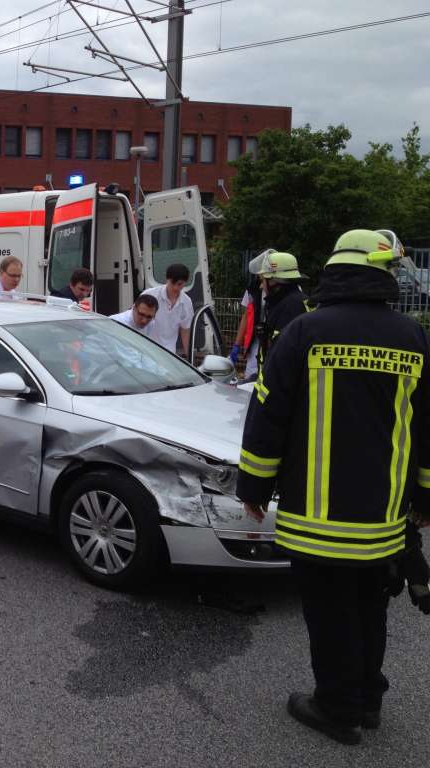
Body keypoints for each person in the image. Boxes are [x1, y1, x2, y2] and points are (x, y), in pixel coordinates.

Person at [236, 229, 430, 745]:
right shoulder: (413, 337)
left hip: (316, 519)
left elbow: (268, 412)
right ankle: (367, 701)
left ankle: (337, 709)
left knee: (330, 614)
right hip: (384, 520)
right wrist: (426, 499)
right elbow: (427, 427)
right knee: (370, 608)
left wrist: (253, 485)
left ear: (336, 271)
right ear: (382, 274)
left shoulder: (305, 332)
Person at [248, 250, 308, 372]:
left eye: (263, 280)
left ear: (274, 281)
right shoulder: (297, 301)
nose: (261, 286)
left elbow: (281, 360)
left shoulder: (288, 308)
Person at [142, 263, 194, 356]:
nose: (175, 287)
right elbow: (136, 321)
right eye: (172, 283)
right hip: (146, 351)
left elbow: (185, 331)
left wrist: (190, 359)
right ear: (167, 279)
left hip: (169, 355)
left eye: (179, 284)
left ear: (185, 282)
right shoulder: (149, 295)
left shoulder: (186, 302)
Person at [231, 272, 264, 381]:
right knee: (251, 379)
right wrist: (237, 344)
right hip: (255, 342)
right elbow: (246, 317)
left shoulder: (290, 290)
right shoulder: (252, 289)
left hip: (275, 343)